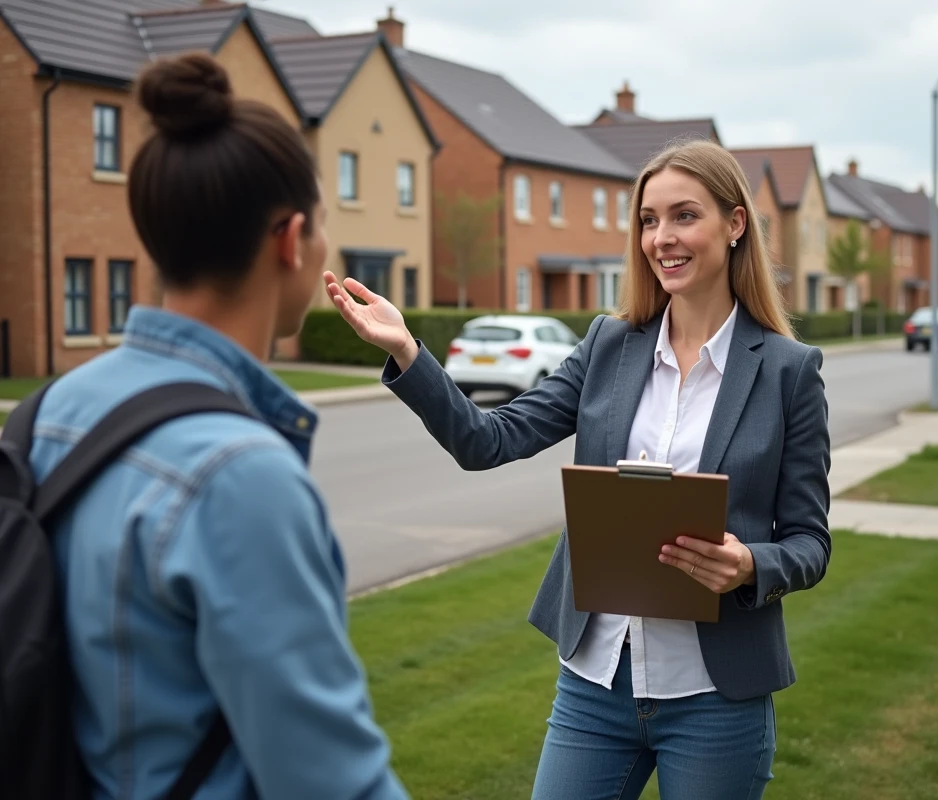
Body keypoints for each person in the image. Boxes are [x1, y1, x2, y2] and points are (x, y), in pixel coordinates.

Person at [325, 138, 831, 799]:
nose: (662, 238)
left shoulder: (789, 372)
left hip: (716, 696)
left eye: (684, 216)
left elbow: (810, 543)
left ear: (736, 224)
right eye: (648, 220)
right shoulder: (608, 346)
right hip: (595, 687)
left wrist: (750, 566)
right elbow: (487, 440)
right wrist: (408, 352)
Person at [21, 54, 409, 799]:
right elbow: (332, 780)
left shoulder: (50, 412)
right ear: (291, 239)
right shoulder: (239, 476)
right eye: (324, 226)